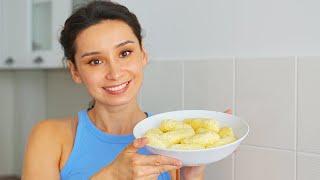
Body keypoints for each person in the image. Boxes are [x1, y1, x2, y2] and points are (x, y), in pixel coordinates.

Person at [22, 1, 219, 179]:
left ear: (143, 54)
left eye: (125, 53)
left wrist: (191, 176)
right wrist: (112, 175)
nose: (115, 73)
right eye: (95, 61)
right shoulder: (50, 137)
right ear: (75, 71)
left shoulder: (171, 145)